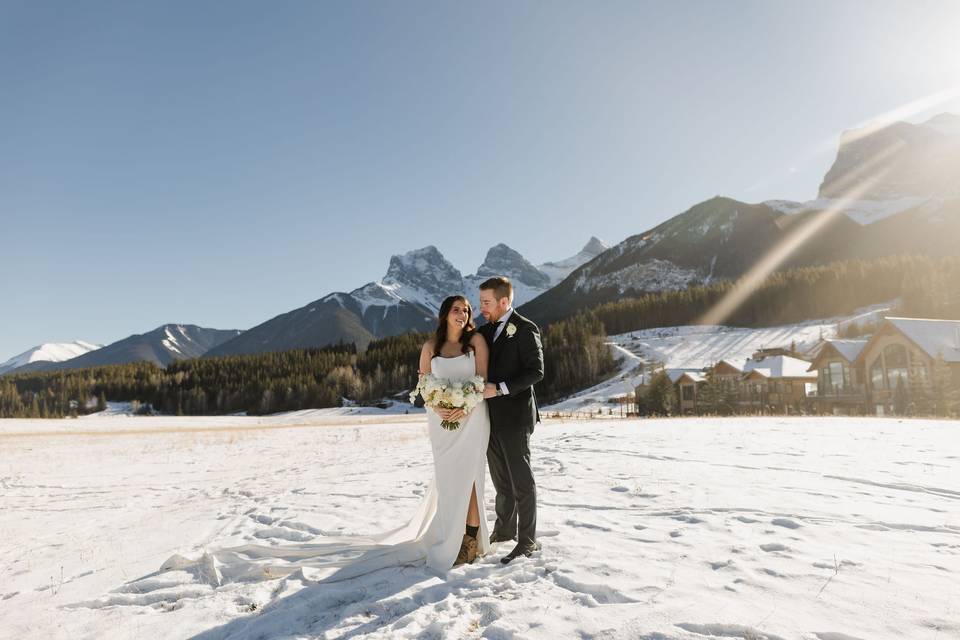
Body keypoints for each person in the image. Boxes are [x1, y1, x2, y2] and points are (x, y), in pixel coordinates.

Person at [416, 295, 492, 567]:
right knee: (449, 479)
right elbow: (424, 385)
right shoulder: (431, 346)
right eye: (457, 309)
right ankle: (450, 533)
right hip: (441, 423)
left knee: (470, 476)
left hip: (472, 418)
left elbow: (482, 380)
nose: (463, 314)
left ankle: (469, 541)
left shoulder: (476, 342)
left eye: (467, 310)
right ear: (445, 314)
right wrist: (439, 408)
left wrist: (465, 406)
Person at [477, 276, 544, 564]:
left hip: (516, 417)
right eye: (480, 302)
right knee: (501, 480)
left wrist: (501, 388)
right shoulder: (484, 331)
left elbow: (536, 371)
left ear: (504, 302)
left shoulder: (526, 329)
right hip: (489, 418)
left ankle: (527, 540)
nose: (481, 308)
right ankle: (504, 530)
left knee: (521, 481)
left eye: (486, 303)